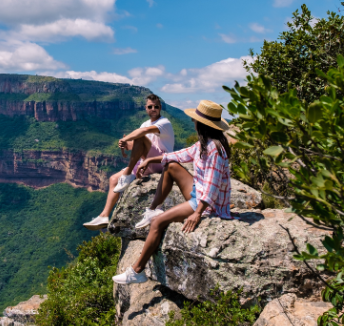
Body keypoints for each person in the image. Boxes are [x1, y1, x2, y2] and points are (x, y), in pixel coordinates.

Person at [112, 99, 233, 284]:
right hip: (197, 191)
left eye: (195, 120)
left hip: (208, 204)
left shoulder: (214, 149)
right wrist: (150, 160)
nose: (193, 122)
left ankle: (137, 271)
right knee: (171, 166)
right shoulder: (204, 143)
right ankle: (153, 208)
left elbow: (212, 186)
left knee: (158, 222)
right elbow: (180, 154)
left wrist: (198, 213)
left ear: (202, 124)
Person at [83, 93, 174, 230]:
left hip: (159, 162)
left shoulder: (164, 123)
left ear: (160, 107)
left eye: (156, 106)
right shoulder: (144, 123)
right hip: (144, 162)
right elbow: (138, 146)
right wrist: (126, 145)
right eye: (150, 106)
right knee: (113, 179)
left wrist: (127, 139)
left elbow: (144, 132)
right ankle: (104, 216)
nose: (153, 109)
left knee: (141, 135)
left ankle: (127, 176)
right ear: (146, 108)